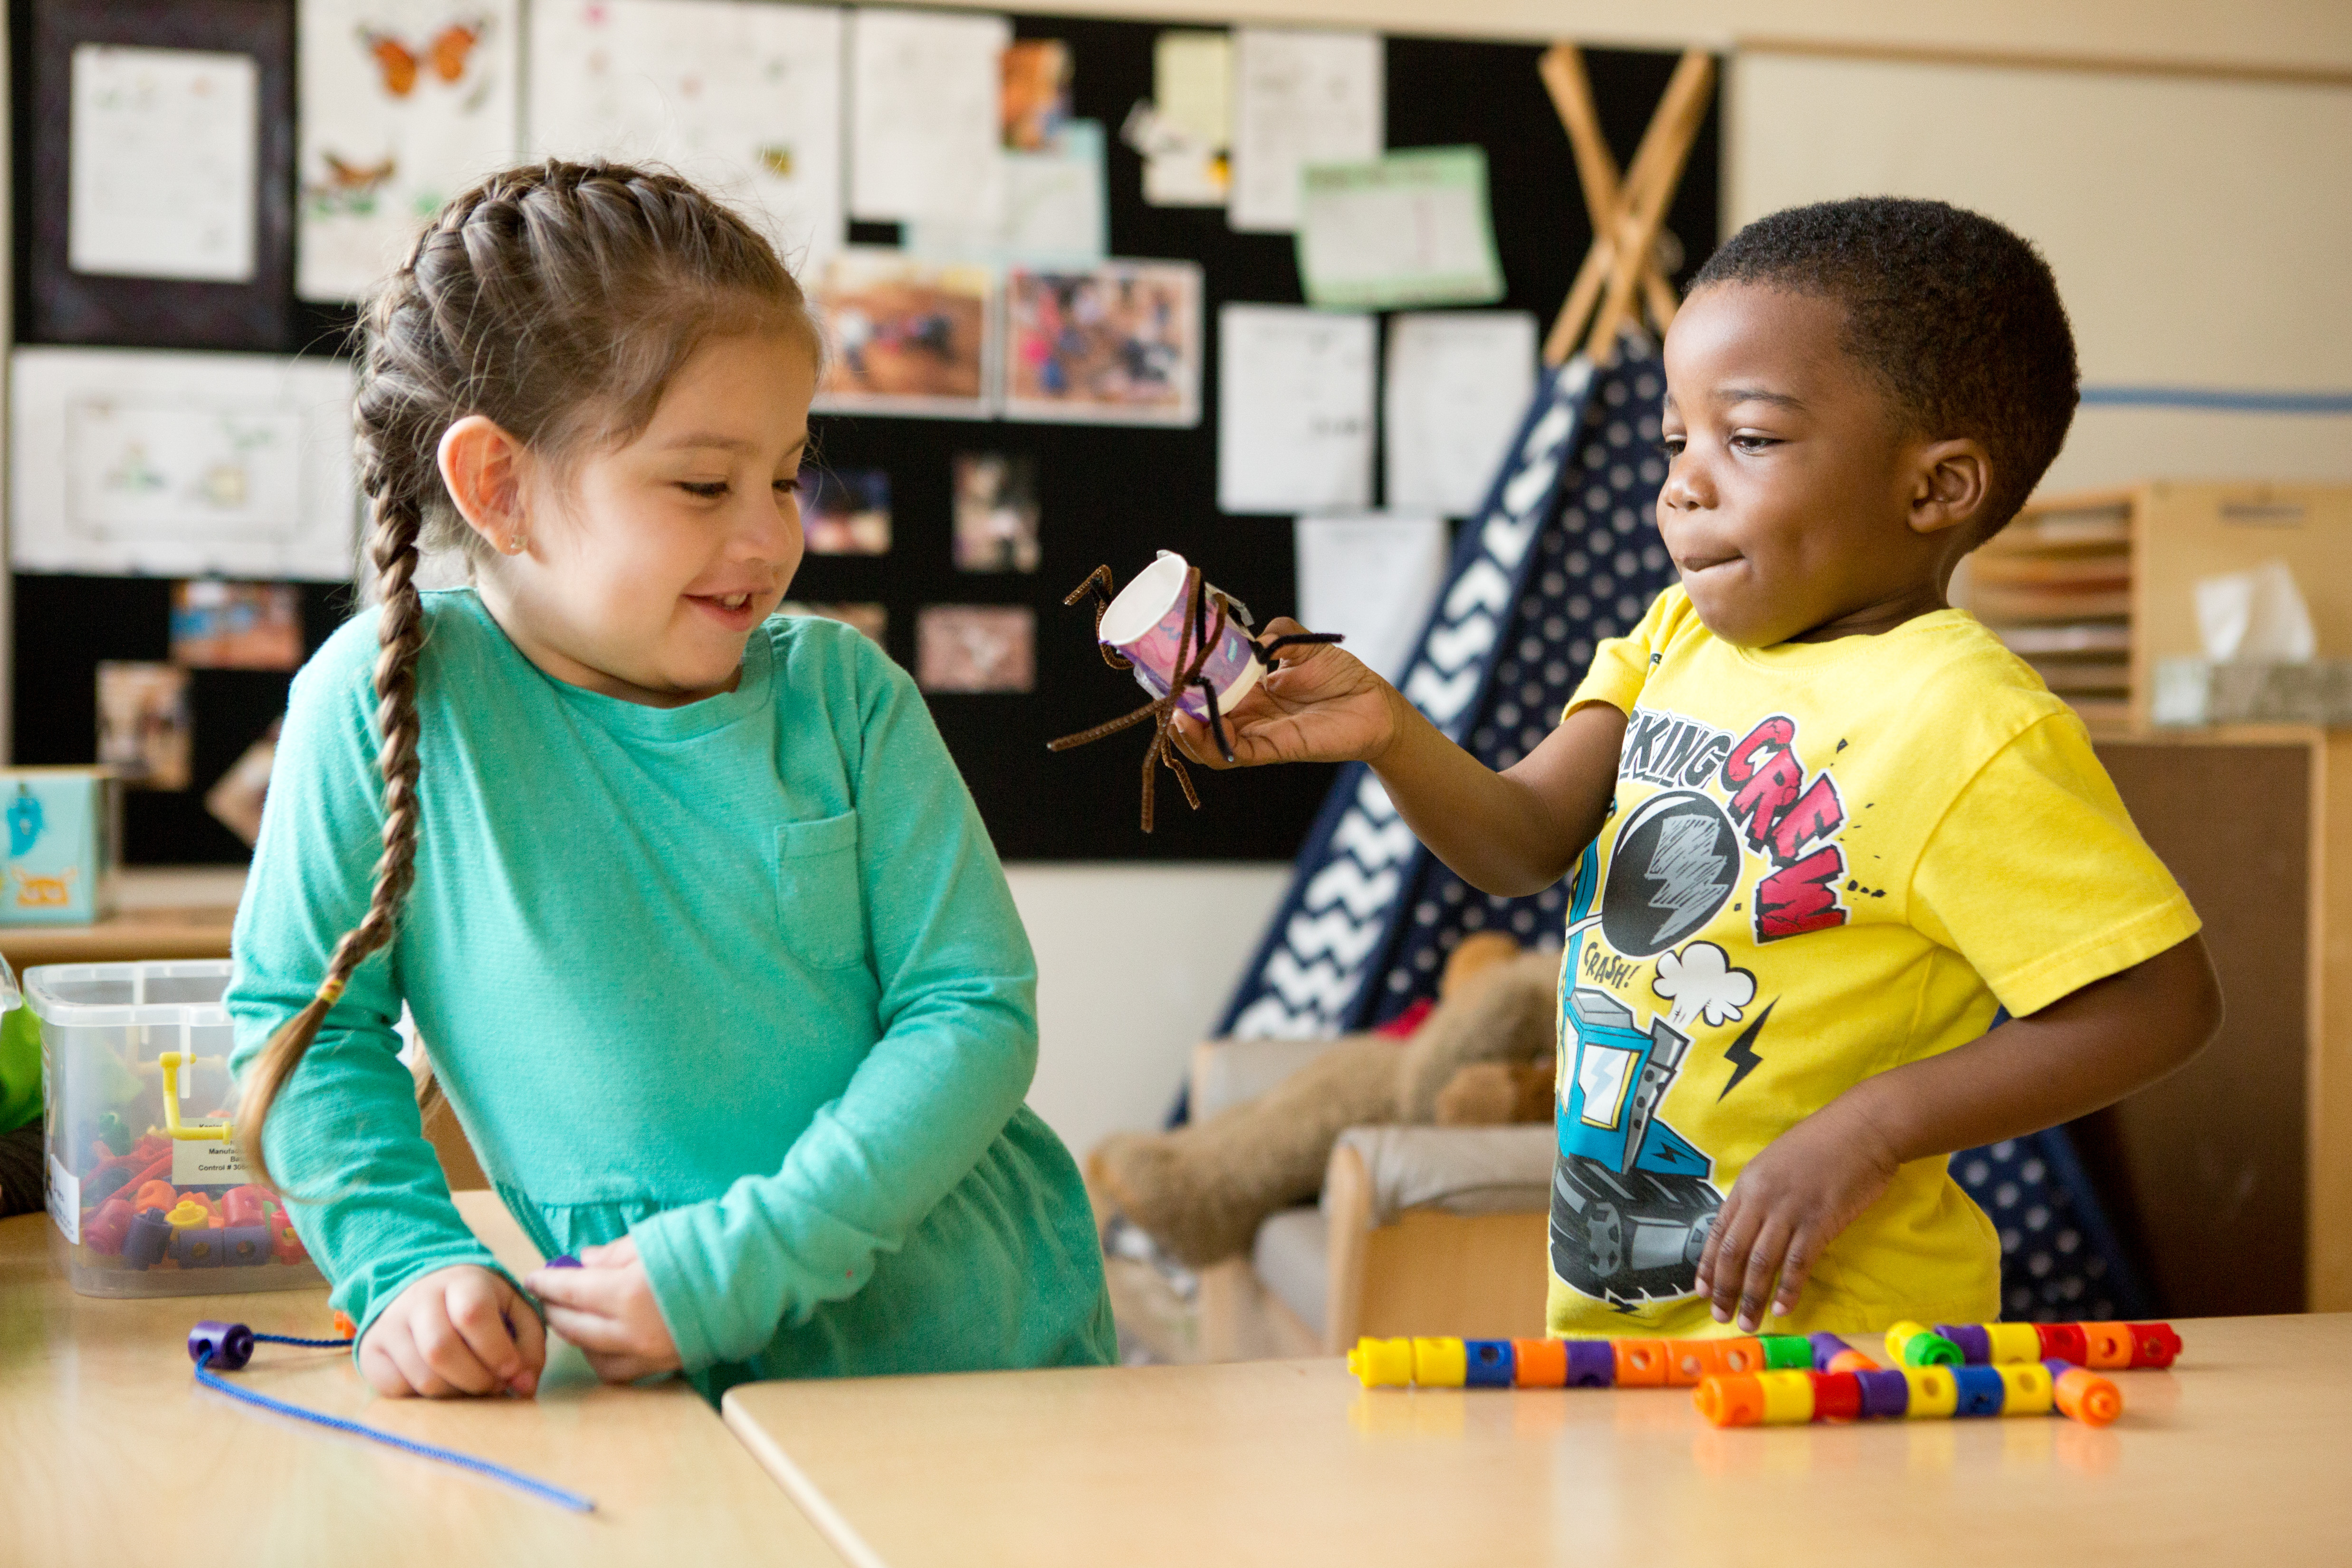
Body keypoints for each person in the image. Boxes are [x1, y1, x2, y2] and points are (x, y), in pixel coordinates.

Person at [1174, 197, 2221, 1339]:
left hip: (1835, 1346)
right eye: (1677, 441)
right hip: (1622, 1325)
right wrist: (1389, 731)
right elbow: (1521, 839)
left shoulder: (1965, 720)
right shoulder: (1676, 636)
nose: (1684, 484)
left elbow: (2160, 1003)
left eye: (1751, 440)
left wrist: (1866, 1129)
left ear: (1937, 489)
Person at [227, 161, 1113, 1401]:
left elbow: (972, 1010)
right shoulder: (386, 702)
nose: (768, 535)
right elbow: (308, 1025)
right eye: (704, 484)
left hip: (972, 1356)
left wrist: (753, 1256)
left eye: (788, 474)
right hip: (647, 1380)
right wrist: (404, 1265)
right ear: (501, 487)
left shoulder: (845, 695)